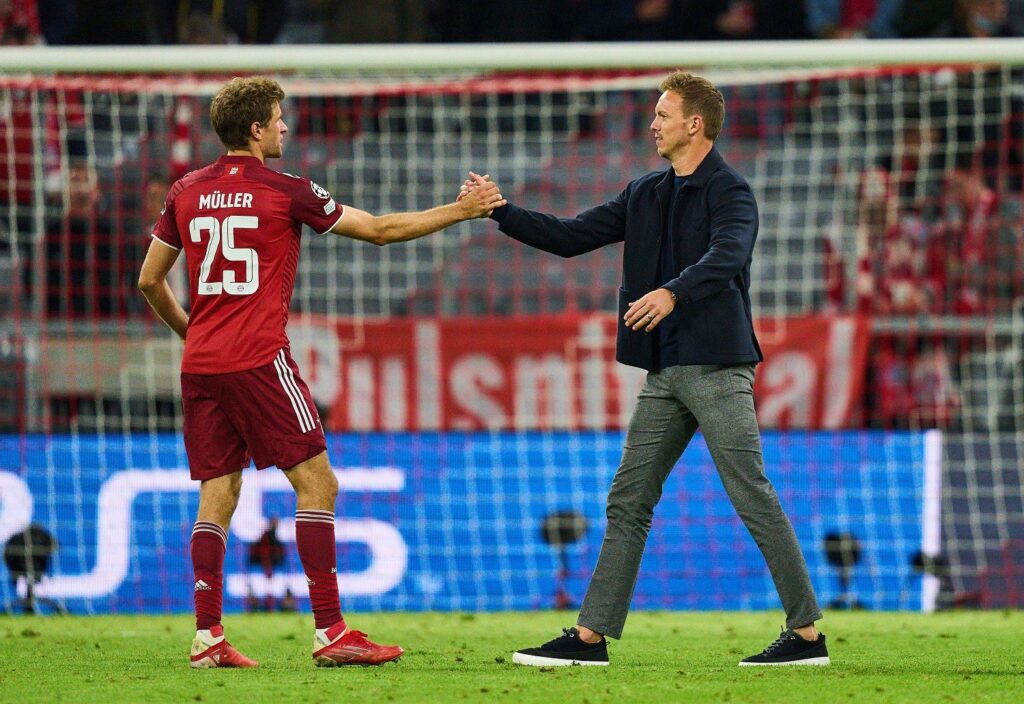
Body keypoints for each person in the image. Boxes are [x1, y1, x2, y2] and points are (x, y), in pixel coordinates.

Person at [137, 76, 504, 669]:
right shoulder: (286, 190)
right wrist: (461, 211)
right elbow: (380, 231)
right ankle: (331, 631)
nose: (285, 126)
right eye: (277, 118)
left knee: (218, 492)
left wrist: (193, 333)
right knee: (318, 484)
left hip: (201, 364)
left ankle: (207, 637)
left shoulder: (186, 189)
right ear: (255, 129)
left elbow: (149, 280)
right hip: (259, 359)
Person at [464, 72, 828, 667]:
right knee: (628, 499)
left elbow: (728, 256)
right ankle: (591, 638)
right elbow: (571, 236)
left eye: (663, 114)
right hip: (665, 372)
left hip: (717, 368)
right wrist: (501, 210)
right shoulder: (645, 192)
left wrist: (671, 293)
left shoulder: (731, 192)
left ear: (695, 124)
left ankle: (807, 635)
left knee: (750, 492)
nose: (652, 124)